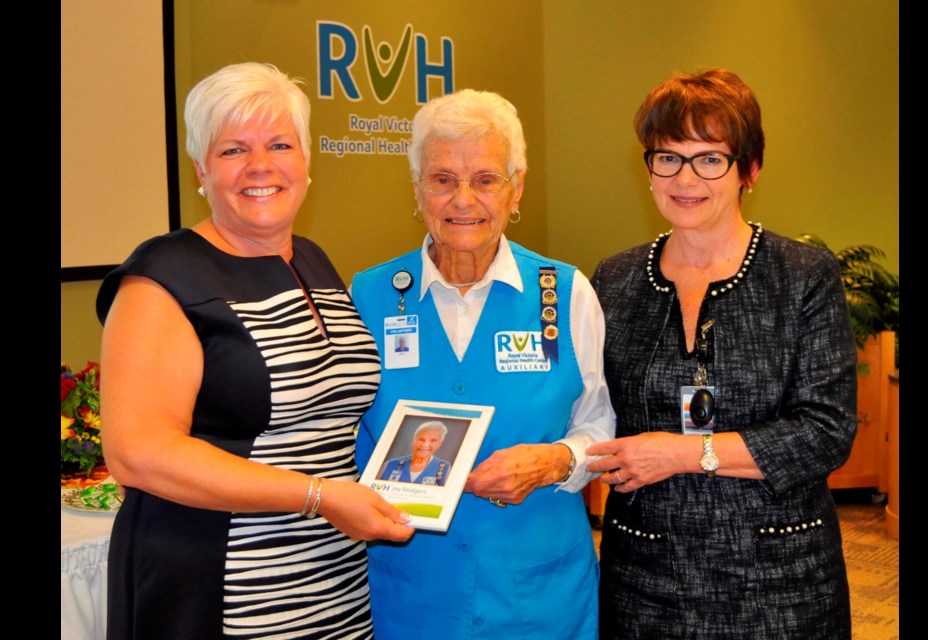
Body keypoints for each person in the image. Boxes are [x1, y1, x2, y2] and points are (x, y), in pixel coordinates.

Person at [96, 62, 414, 640]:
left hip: (331, 584)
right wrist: (319, 497)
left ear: (307, 161)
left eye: (279, 144)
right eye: (233, 150)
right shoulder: (162, 278)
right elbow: (137, 453)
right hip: (223, 591)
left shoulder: (313, 261)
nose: (260, 166)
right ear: (201, 170)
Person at [586, 68, 858, 638]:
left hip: (780, 581)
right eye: (668, 157)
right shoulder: (613, 279)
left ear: (749, 171)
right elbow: (587, 410)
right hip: (644, 579)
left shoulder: (802, 275)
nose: (686, 178)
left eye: (710, 158)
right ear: (649, 168)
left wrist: (683, 453)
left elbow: (826, 431)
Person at [350, 88, 616, 639]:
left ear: (516, 189)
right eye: (443, 179)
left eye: (486, 180)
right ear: (418, 190)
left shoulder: (563, 293)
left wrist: (554, 462)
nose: (462, 199)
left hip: (539, 598)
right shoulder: (367, 295)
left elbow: (601, 423)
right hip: (410, 596)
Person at [379, 421, 451, 485]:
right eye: (421, 439)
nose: (424, 445)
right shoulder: (390, 465)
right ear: (414, 440)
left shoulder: (445, 469)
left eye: (433, 441)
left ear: (439, 444)